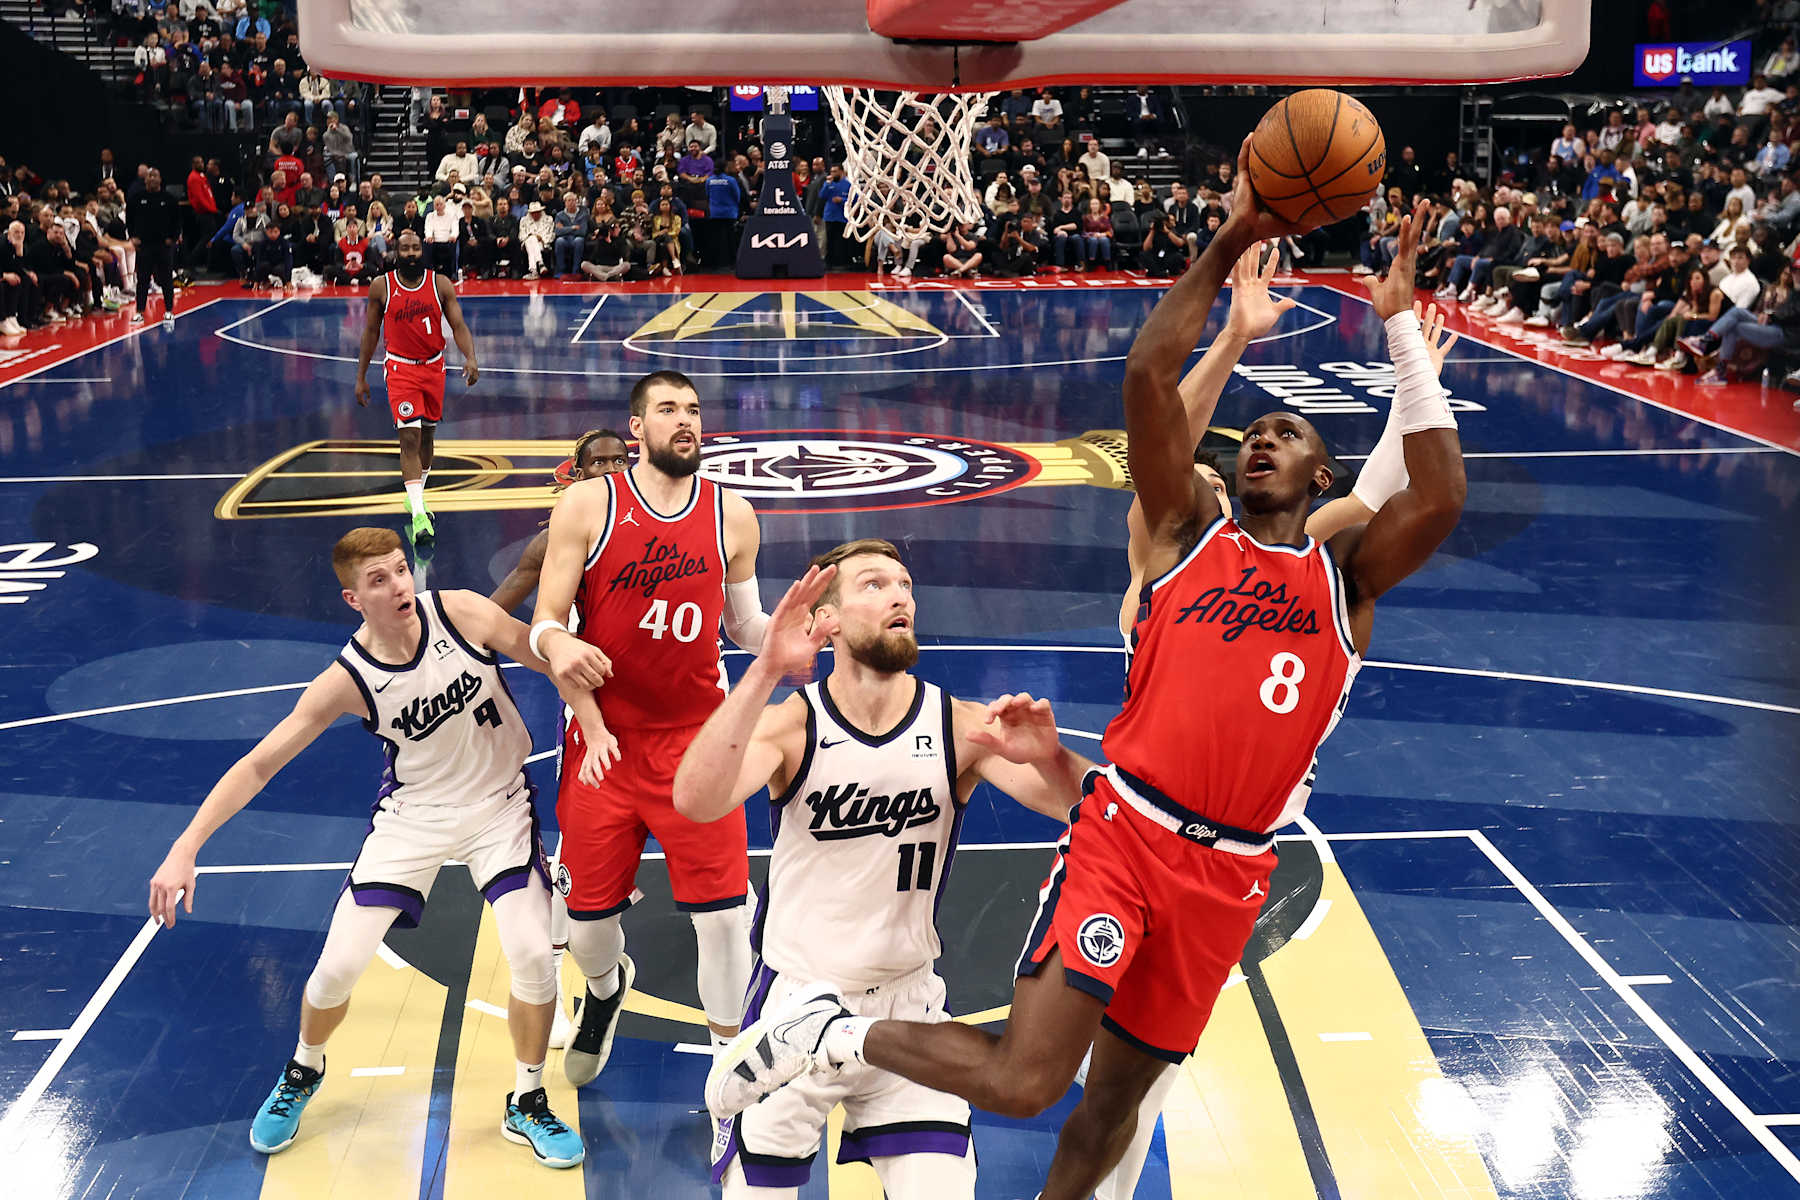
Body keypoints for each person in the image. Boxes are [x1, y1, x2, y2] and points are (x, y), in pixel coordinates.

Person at [710, 149, 1468, 1200]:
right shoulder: (1183, 533)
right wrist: (1234, 234)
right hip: (1131, 832)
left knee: (1112, 1117)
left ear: (1318, 475)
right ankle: (833, 1034)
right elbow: (1148, 384)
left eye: (1286, 434)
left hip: (1233, 869)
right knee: (1027, 1084)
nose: (1262, 441)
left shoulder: (1344, 580)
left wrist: (1399, 333)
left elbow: (1428, 496)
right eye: (1252, 433)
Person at [146, 527, 592, 1170]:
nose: (399, 585)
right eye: (378, 579)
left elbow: (549, 657)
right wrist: (185, 847)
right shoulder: (347, 678)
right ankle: (304, 1069)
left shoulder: (461, 610)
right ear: (354, 599)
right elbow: (258, 765)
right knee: (336, 970)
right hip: (412, 820)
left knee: (531, 954)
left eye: (401, 570)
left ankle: (526, 1100)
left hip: (499, 808)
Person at [671, 541, 1089, 1198]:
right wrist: (765, 671)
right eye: (874, 584)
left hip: (907, 1013)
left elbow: (1096, 812)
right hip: (795, 1009)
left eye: (905, 584)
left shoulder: (960, 727)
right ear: (828, 620)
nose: (900, 595)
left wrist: (1055, 758)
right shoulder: (794, 725)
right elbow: (694, 801)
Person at [527, 370, 773, 1094]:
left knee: (726, 919)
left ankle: (730, 1081)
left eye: (693, 409)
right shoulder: (585, 505)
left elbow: (745, 626)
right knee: (586, 922)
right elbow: (545, 620)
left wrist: (801, 632)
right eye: (668, 410)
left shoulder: (734, 514)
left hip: (697, 746)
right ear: (637, 428)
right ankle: (605, 988)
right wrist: (557, 644)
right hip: (605, 743)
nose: (685, 420)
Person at [352, 230, 479, 546]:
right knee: (410, 436)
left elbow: (459, 325)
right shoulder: (382, 286)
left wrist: (471, 357)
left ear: (422, 250)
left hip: (434, 368)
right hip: (400, 369)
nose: (410, 253)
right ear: (395, 251)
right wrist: (361, 376)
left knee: (428, 438)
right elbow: (370, 332)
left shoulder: (440, 284)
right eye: (404, 248)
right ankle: (419, 513)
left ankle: (416, 496)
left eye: (415, 248)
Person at [126, 166, 180, 327]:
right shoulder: (137, 198)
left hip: (163, 246)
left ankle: (169, 310)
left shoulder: (169, 198)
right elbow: (130, 219)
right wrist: (132, 236)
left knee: (166, 279)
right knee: (142, 279)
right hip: (144, 246)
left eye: (155, 176)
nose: (152, 179)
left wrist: (173, 238)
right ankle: (139, 312)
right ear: (145, 179)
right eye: (149, 176)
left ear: (160, 179)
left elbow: (177, 220)